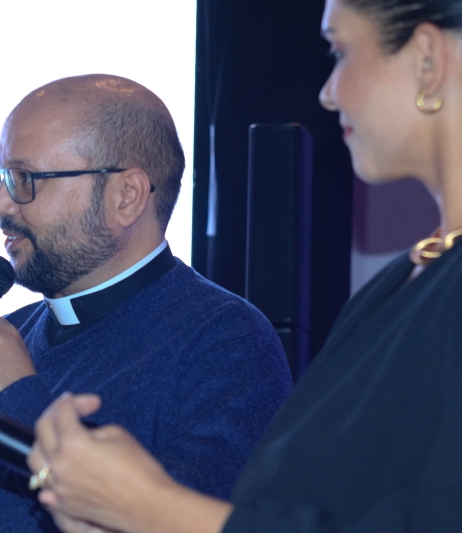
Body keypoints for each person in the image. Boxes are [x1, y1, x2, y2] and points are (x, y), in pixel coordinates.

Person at [27, 1, 462, 532]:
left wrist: (149, 506)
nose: (328, 93)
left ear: (426, 59)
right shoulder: (399, 285)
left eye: (340, 51)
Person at [0, 74, 294, 532]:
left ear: (126, 196)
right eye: (1, 176)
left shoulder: (227, 341)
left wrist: (15, 397)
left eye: (25, 178)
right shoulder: (10, 334)